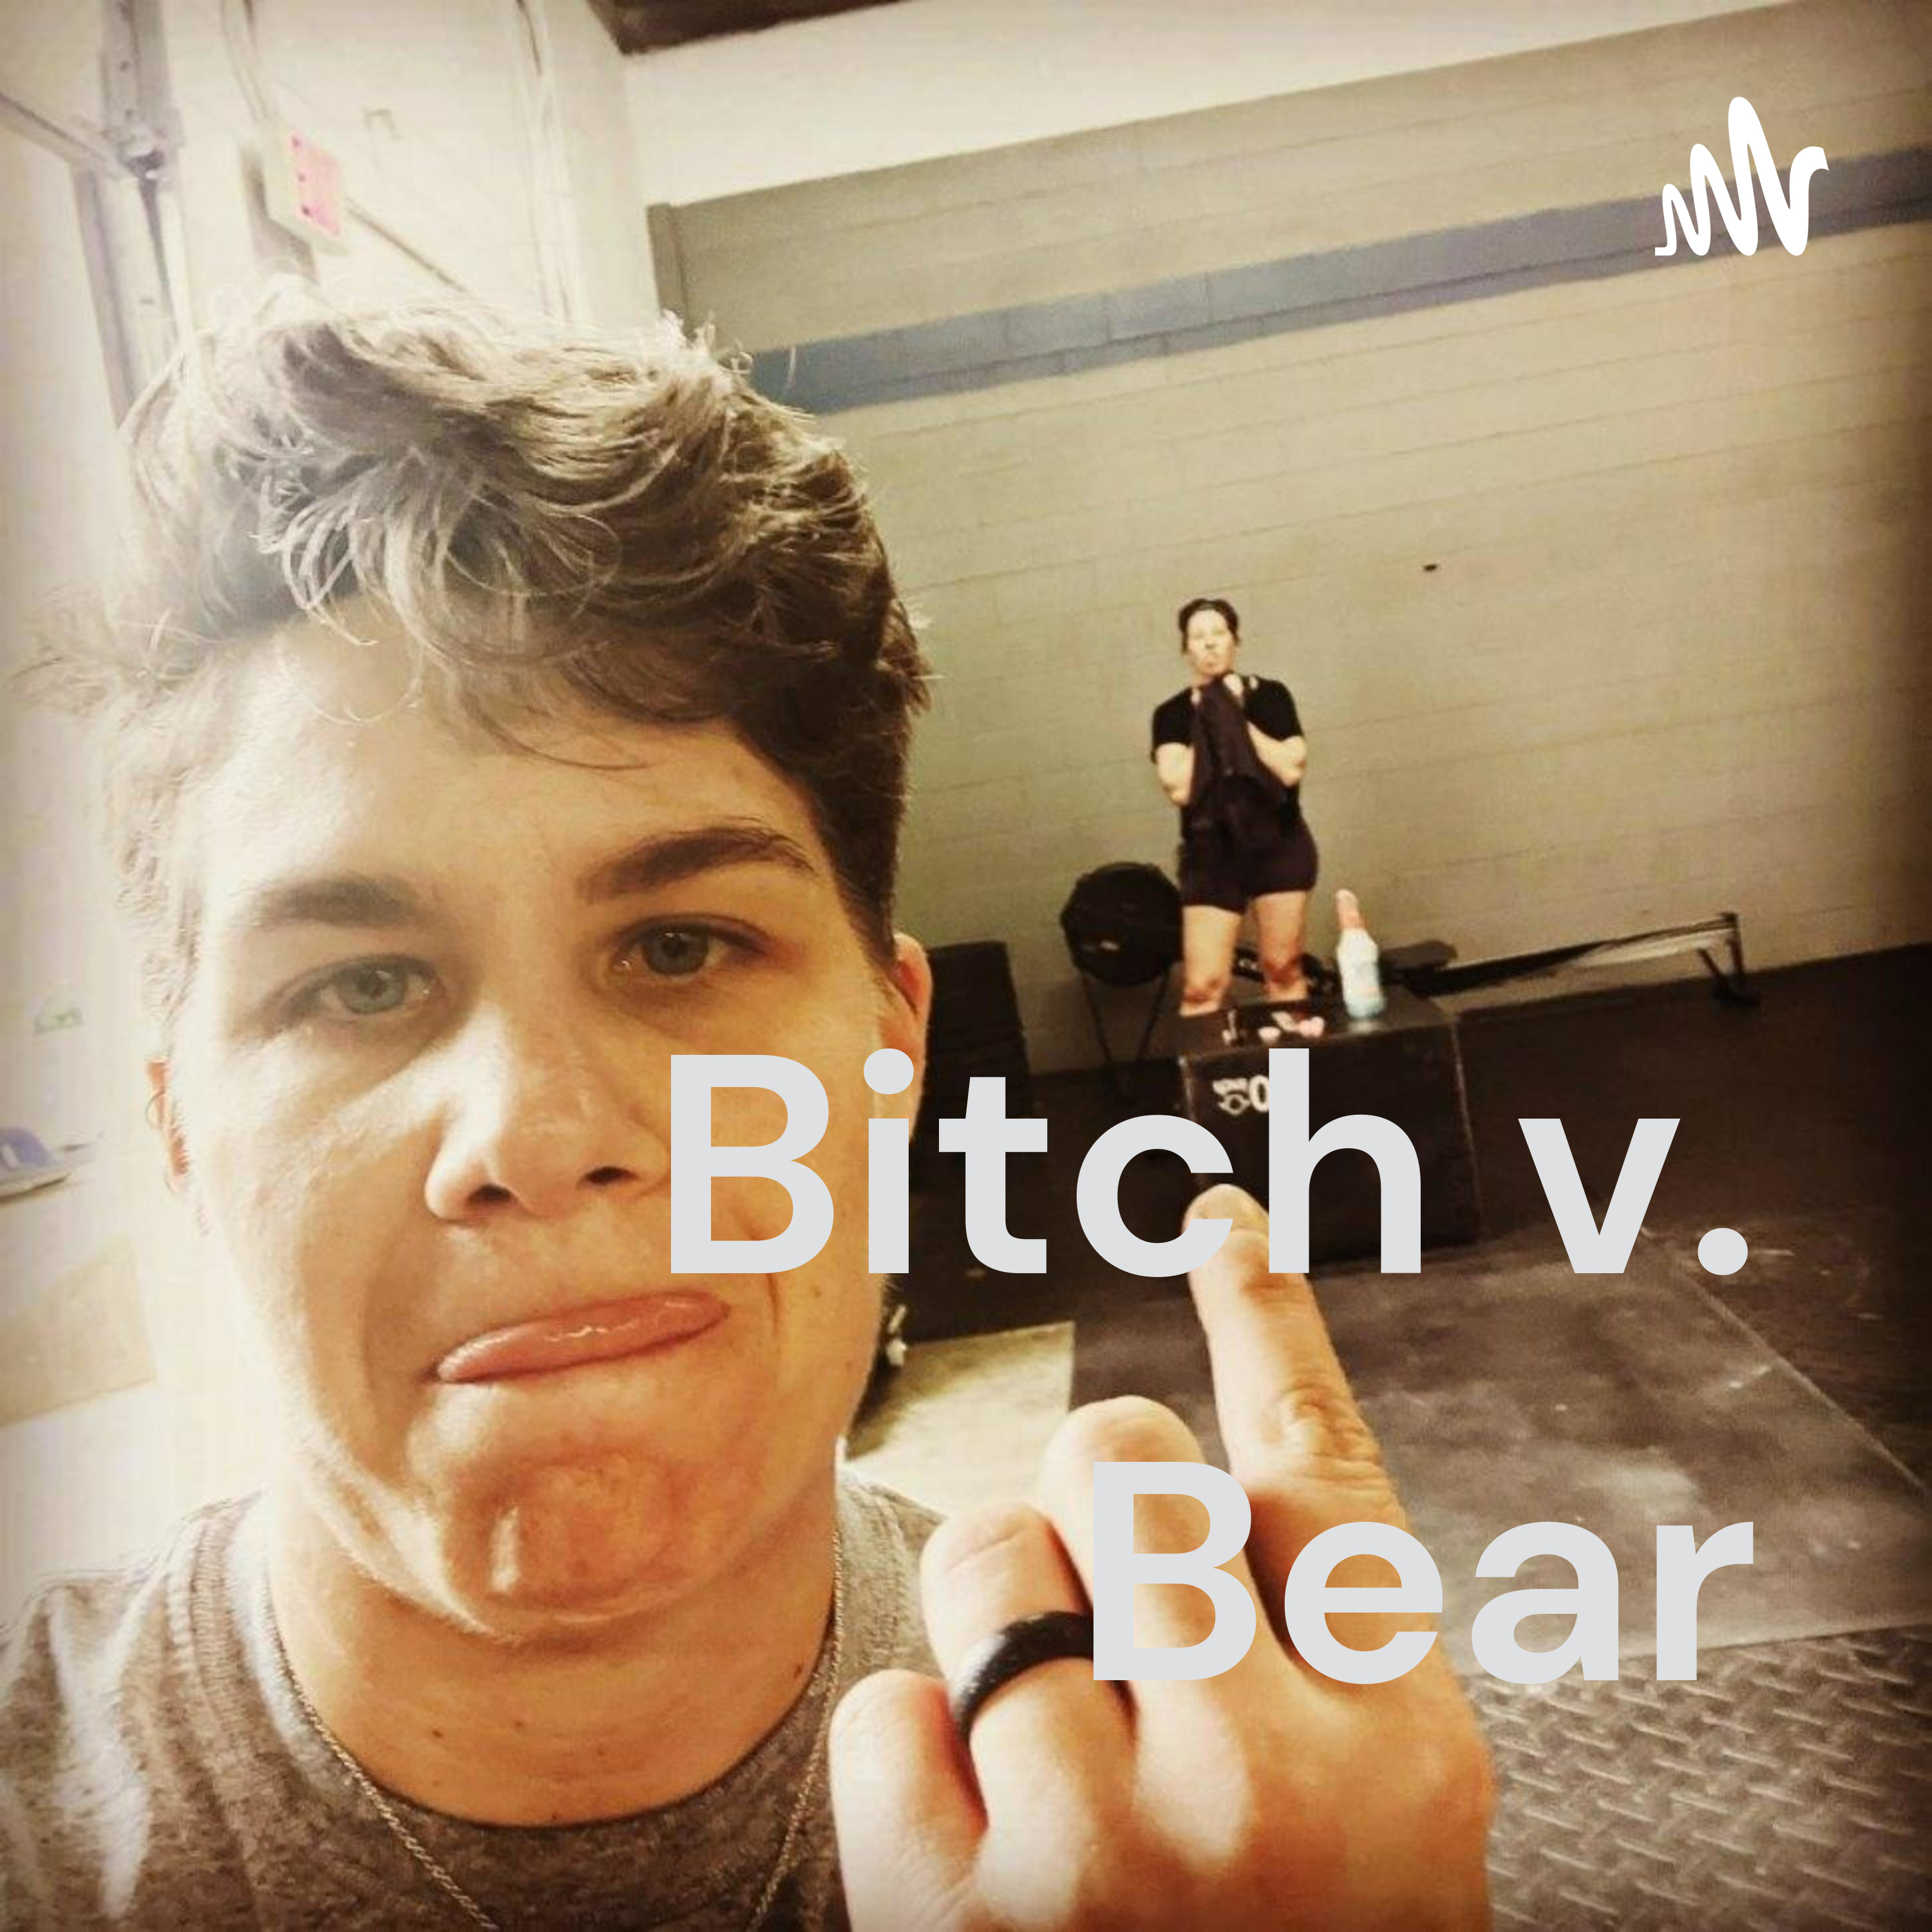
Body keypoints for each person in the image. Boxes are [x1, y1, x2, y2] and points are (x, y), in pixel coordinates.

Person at [1, 299, 1491, 1928]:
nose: (537, 1133)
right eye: (359, 985)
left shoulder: (1249, 1832)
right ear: (175, 1128)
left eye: (679, 946)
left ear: (891, 1046)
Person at [1151, 597, 1320, 1015]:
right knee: (1202, 986)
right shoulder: (1171, 714)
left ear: (1235, 642)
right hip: (1212, 855)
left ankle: (1294, 1063)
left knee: (1282, 970)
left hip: (1277, 844)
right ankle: (1208, 1061)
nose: (1209, 644)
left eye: (1218, 634)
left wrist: (1235, 716)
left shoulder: (1271, 696)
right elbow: (1179, 788)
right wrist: (1208, 717)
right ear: (1186, 649)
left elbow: (1290, 768)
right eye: (1198, 637)